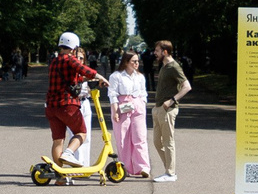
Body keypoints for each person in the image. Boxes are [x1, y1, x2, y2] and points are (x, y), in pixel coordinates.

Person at [44, 32, 99, 168]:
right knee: (81, 133)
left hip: (52, 107)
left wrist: (90, 79)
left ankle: (59, 175)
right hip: (67, 104)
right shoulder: (69, 59)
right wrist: (100, 77)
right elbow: (84, 70)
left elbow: (75, 78)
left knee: (58, 140)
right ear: (74, 47)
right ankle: (69, 153)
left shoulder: (54, 62)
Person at [149, 39, 188, 183]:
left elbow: (187, 86)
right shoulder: (164, 66)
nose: (155, 53)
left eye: (157, 51)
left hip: (168, 109)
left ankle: (170, 173)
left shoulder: (173, 67)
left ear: (165, 52)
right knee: (157, 142)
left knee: (168, 141)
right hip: (159, 108)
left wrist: (172, 100)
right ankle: (169, 170)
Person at [109, 49, 151, 178]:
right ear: (126, 62)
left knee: (140, 137)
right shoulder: (116, 76)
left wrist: (142, 102)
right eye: (134, 61)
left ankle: (143, 167)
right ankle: (124, 167)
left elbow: (144, 92)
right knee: (123, 139)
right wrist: (115, 110)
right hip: (122, 107)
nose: (136, 64)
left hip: (137, 106)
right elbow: (112, 94)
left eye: (138, 61)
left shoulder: (140, 77)